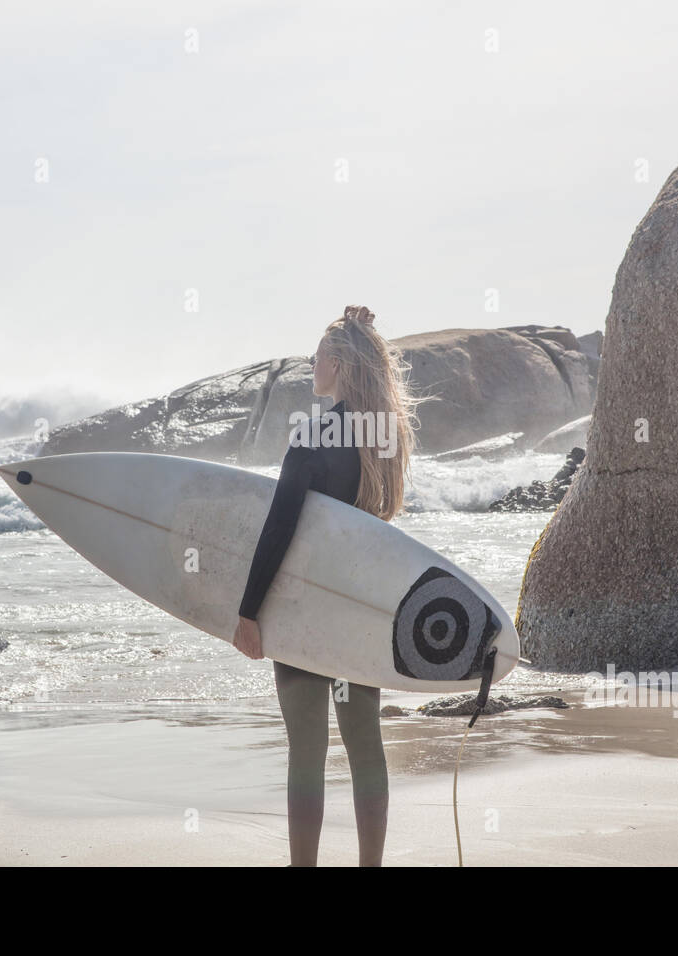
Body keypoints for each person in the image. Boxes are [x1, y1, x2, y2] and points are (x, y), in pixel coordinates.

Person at [231, 304, 421, 867]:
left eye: (317, 356)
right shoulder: (383, 441)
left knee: (307, 753)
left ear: (336, 364)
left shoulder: (312, 437)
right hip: (363, 608)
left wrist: (248, 611)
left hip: (306, 609)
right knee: (366, 747)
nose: (312, 365)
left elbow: (280, 529)